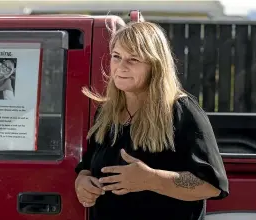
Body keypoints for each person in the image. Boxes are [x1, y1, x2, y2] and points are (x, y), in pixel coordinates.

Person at [74, 21, 229, 220]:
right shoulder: (107, 112)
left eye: (133, 59)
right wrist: (83, 182)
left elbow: (211, 186)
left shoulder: (181, 111)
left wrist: (151, 179)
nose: (121, 67)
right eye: (116, 56)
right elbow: (87, 167)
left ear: (155, 66)